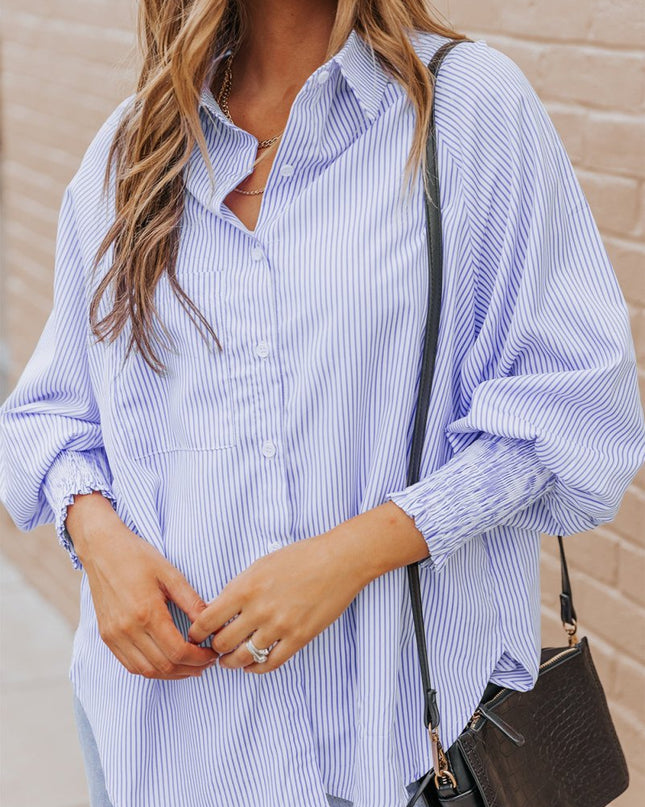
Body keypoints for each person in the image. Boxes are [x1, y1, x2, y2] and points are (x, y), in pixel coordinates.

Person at [1, 1, 644, 806]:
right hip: (166, 746)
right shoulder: (133, 149)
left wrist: (352, 554)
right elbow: (50, 411)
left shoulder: (467, 110)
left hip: (401, 749)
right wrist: (96, 537)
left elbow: (575, 402)